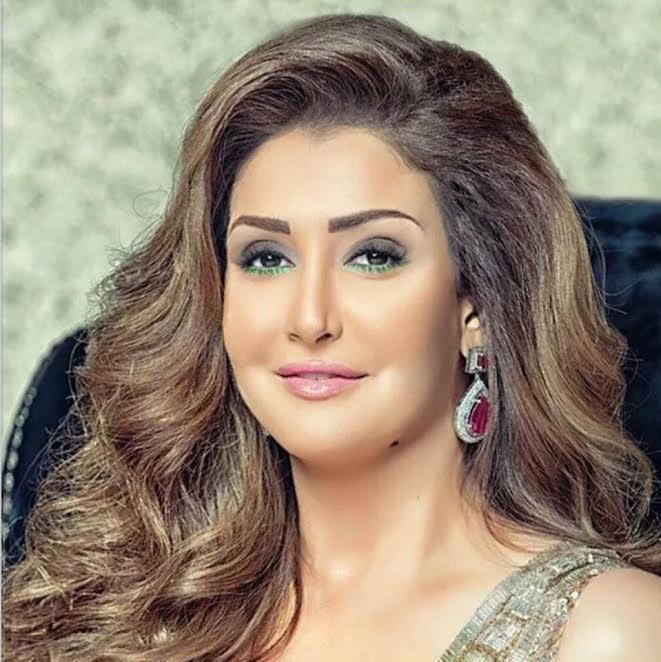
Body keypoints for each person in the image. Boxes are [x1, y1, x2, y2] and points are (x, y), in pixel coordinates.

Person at [3, 12, 661, 662]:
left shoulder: (603, 633)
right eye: (266, 258)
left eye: (373, 255)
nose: (310, 318)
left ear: (477, 306)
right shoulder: (121, 615)